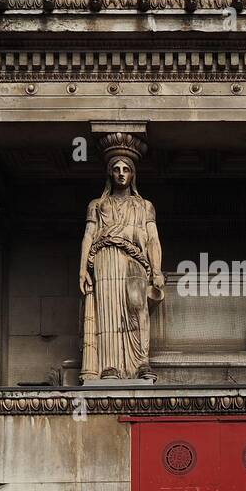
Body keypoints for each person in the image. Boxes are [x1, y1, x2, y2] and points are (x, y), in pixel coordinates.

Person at [79, 141, 164, 381]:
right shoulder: (97, 205)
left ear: (132, 174)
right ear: (110, 173)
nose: (121, 174)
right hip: (105, 257)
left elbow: (153, 239)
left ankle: (141, 361)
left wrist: (156, 269)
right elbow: (87, 237)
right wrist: (82, 269)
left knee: (137, 304)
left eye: (126, 170)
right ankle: (111, 366)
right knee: (109, 310)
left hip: (134, 258)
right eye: (116, 169)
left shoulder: (144, 206)